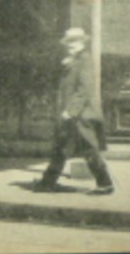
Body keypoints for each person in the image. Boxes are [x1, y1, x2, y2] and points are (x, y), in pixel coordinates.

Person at [33, 27, 115, 195]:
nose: (71, 45)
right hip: (72, 114)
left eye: (75, 42)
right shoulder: (72, 60)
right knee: (60, 148)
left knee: (88, 149)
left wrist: (71, 111)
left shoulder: (84, 60)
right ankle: (48, 182)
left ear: (82, 43)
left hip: (81, 114)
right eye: (69, 42)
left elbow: (84, 89)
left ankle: (105, 184)